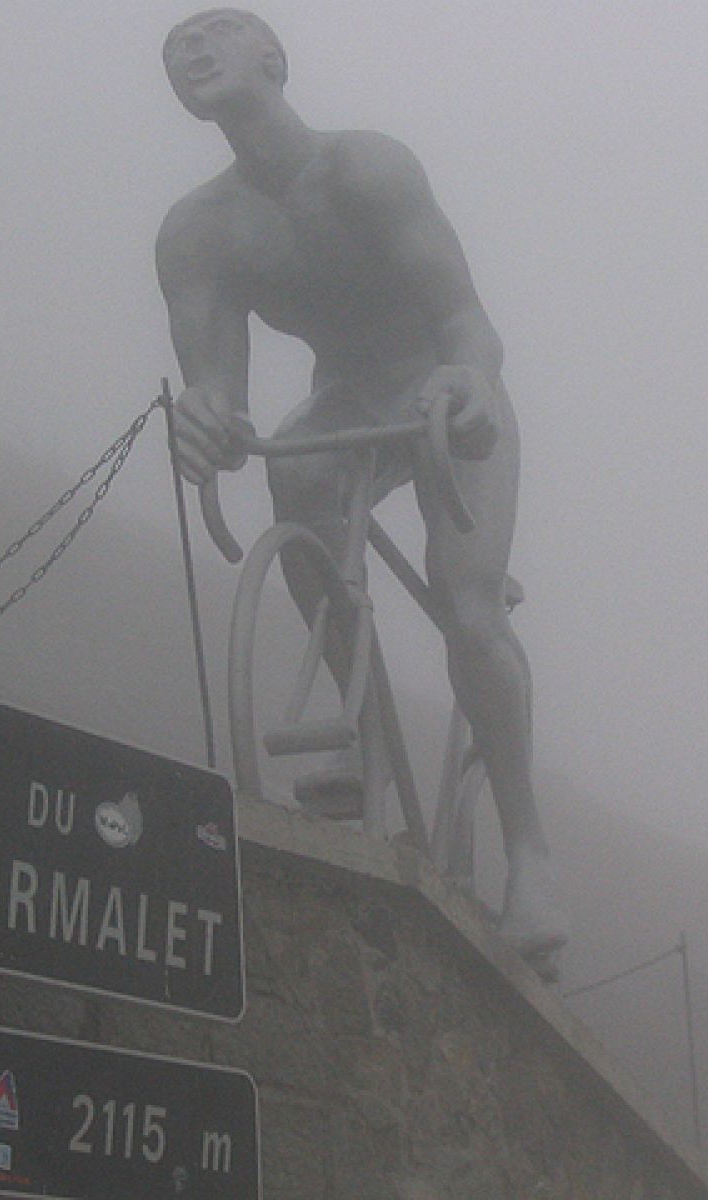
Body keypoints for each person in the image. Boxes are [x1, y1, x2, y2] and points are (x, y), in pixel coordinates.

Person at [157, 9, 566, 973]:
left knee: (467, 605)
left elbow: (467, 318)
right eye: (177, 50)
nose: (192, 51)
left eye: (215, 33)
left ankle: (528, 851)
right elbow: (219, 387)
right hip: (347, 398)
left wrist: (467, 381)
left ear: (275, 58)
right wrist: (203, 420)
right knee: (294, 469)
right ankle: (354, 715)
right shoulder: (198, 232)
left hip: (446, 389)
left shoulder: (367, 170)